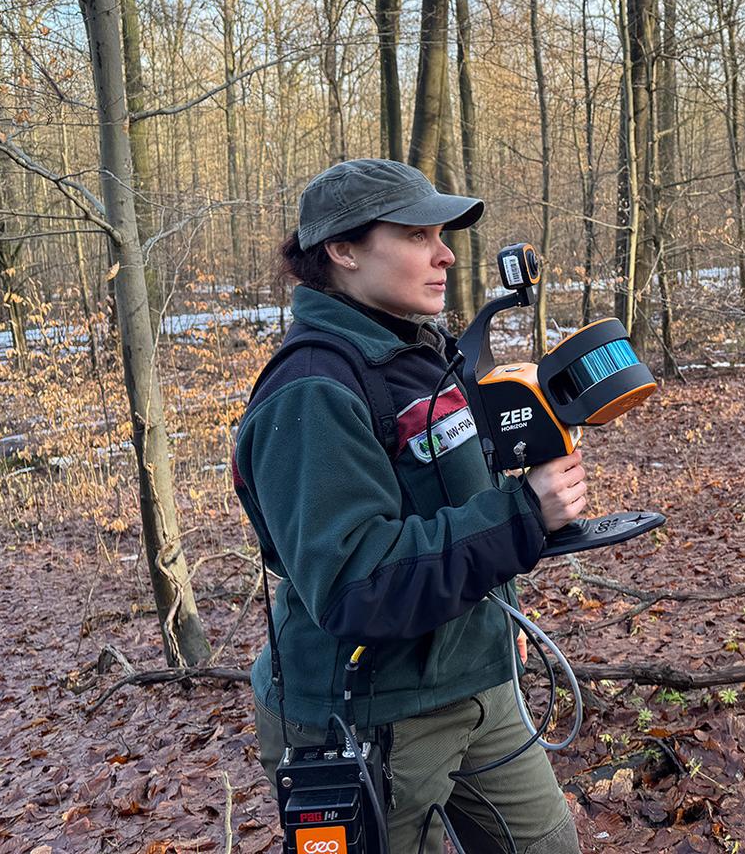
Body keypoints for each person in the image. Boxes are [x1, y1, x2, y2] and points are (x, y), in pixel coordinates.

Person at [233, 158, 585, 853]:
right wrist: (522, 515)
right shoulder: (312, 391)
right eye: (418, 236)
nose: (445, 254)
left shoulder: (421, 351)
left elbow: (450, 502)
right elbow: (356, 582)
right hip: (365, 715)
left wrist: (498, 615)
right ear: (343, 250)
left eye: (441, 235)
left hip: (476, 680)